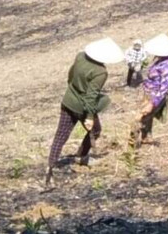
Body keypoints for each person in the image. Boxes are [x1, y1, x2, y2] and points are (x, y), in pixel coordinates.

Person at [46, 38, 122, 184]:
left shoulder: (80, 56)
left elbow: (70, 75)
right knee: (96, 130)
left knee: (61, 134)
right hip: (82, 106)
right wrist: (89, 116)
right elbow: (91, 97)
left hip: (68, 100)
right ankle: (82, 156)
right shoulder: (100, 72)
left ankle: (50, 165)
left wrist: (72, 90)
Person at [130, 34, 168, 150]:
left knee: (140, 117)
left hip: (154, 95)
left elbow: (164, 87)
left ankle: (132, 144)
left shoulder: (167, 64)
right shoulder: (160, 60)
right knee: (147, 117)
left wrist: (153, 103)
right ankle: (146, 137)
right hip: (149, 93)